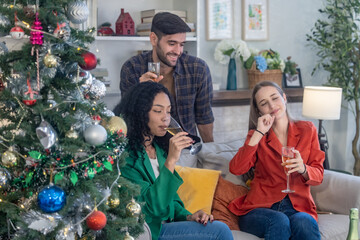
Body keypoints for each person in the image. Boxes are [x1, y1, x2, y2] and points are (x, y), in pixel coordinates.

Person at [115, 81, 232, 240]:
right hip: (150, 231)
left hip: (166, 225)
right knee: (219, 231)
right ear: (140, 113)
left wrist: (188, 216)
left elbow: (172, 201)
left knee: (213, 226)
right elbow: (152, 209)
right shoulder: (126, 158)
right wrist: (171, 161)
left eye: (169, 111)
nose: (166, 118)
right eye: (158, 111)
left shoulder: (158, 150)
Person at [228, 81, 324, 240]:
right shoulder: (257, 136)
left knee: (304, 221)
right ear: (259, 111)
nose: (272, 105)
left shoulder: (308, 129)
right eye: (264, 103)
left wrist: (303, 169)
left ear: (284, 98)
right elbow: (236, 168)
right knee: (279, 221)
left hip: (298, 206)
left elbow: (319, 175)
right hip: (259, 208)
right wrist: (258, 132)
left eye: (275, 98)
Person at [120, 12, 214, 143]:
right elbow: (126, 118)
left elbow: (204, 117)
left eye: (181, 44)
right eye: (172, 43)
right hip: (147, 149)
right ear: (153, 39)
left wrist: (209, 154)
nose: (178, 51)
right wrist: (139, 92)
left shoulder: (198, 69)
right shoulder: (132, 68)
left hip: (185, 148)